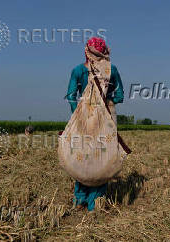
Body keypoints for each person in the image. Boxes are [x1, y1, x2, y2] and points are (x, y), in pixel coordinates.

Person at [65, 37, 124, 211]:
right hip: (105, 120)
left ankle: (80, 198)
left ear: (86, 51)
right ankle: (95, 203)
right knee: (102, 158)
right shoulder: (111, 70)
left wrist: (79, 116)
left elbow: (70, 96)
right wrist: (107, 101)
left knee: (82, 157)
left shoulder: (77, 71)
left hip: (83, 120)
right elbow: (120, 95)